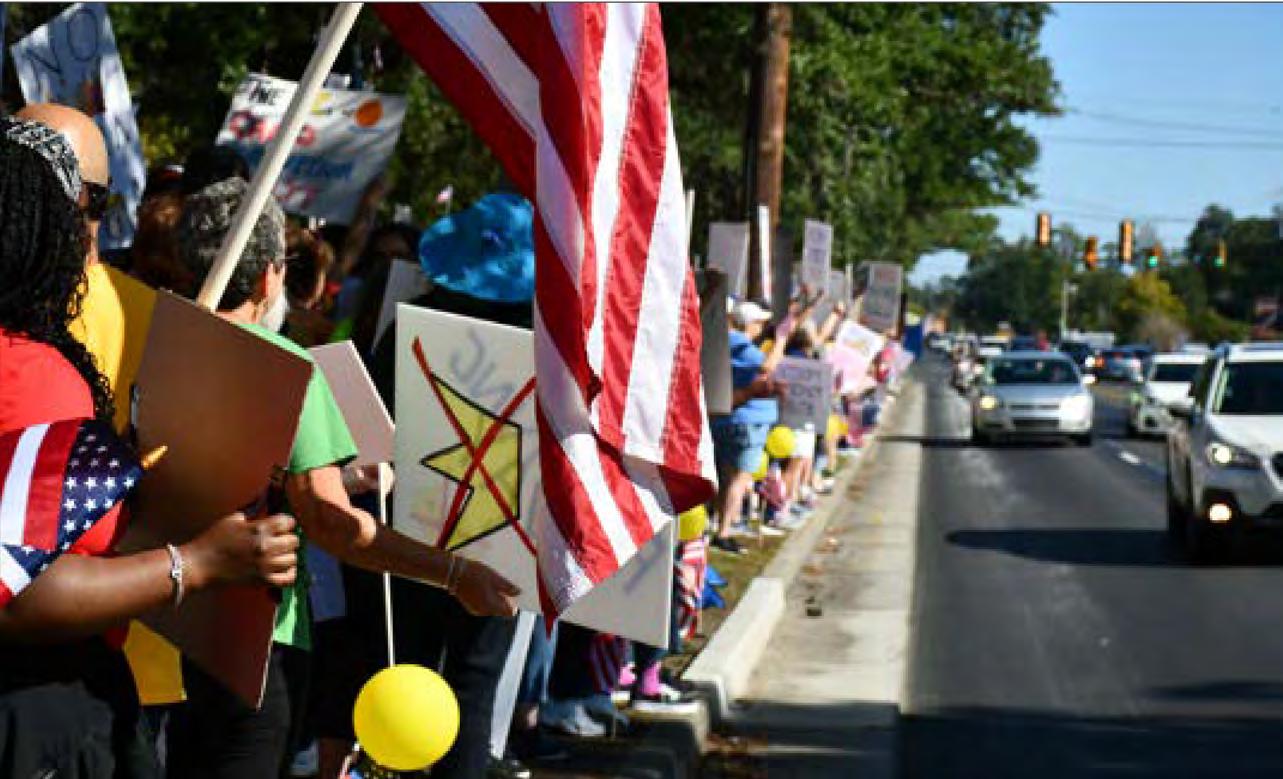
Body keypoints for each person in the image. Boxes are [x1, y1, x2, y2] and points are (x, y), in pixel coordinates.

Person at [163, 177, 520, 779]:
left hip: (157, 621)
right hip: (254, 638)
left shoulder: (158, 341)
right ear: (270, 277)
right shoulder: (287, 369)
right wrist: (455, 573)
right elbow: (332, 523)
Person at [0, 112, 301, 779]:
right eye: (93, 204)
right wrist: (198, 562)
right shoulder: (37, 372)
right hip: (40, 707)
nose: (96, 233)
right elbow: (22, 588)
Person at [709, 300, 793, 554]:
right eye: (759, 323)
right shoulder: (739, 344)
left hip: (730, 415)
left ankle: (720, 523)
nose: (762, 328)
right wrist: (781, 340)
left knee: (727, 477)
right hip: (748, 419)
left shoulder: (725, 343)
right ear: (749, 323)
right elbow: (768, 366)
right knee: (741, 477)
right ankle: (724, 531)